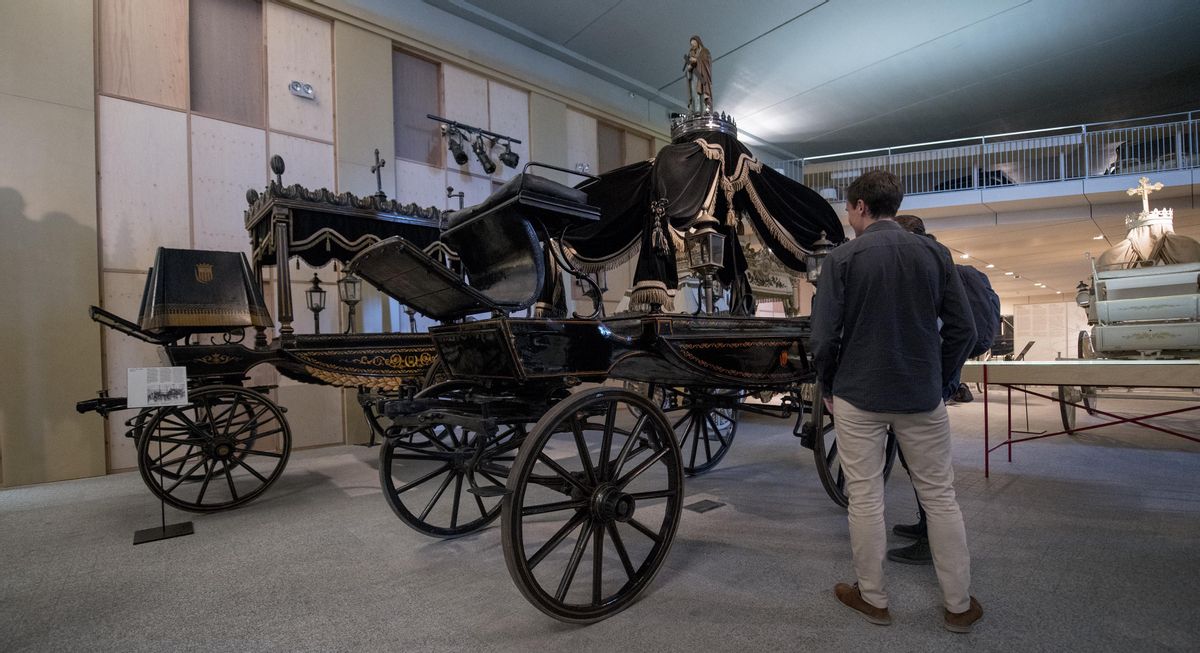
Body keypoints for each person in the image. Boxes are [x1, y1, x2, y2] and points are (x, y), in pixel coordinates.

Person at [810, 170, 983, 632]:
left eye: (848, 209)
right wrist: (940, 379)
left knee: (864, 497)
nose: (848, 217)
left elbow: (824, 338)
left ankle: (873, 598)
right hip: (920, 395)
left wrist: (827, 385)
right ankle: (958, 605)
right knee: (941, 498)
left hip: (858, 394)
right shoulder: (936, 254)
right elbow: (963, 330)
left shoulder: (843, 259)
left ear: (862, 207)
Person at [886, 214, 1001, 566]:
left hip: (929, 381)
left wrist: (938, 379)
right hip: (929, 377)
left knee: (927, 466)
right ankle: (925, 528)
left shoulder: (934, 267)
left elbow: (962, 331)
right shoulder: (938, 262)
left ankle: (933, 545)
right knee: (918, 461)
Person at [683, 35, 712, 112]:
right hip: (694, 77)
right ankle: (696, 111)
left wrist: (696, 60)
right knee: (694, 93)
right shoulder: (691, 53)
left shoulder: (704, 51)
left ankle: (703, 111)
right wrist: (689, 68)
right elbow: (688, 66)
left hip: (702, 76)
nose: (692, 46)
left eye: (694, 44)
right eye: (691, 45)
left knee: (701, 92)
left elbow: (706, 61)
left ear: (698, 43)